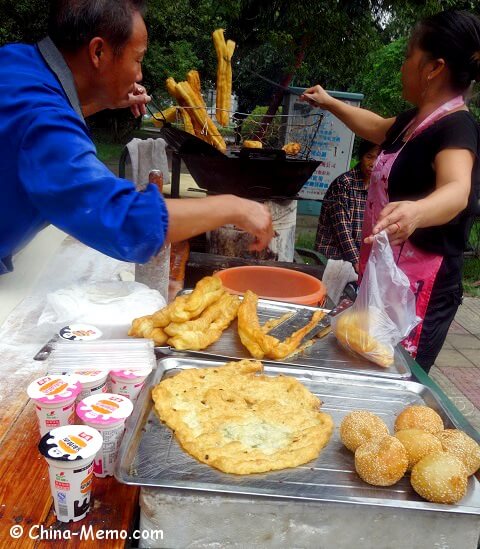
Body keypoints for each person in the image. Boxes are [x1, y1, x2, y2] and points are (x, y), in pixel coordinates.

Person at [0, 0, 273, 275]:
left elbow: (35, 130)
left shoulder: (16, 63)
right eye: (138, 59)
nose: (140, 73)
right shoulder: (43, 120)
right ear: (98, 52)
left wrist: (102, 101)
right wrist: (235, 206)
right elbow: (120, 219)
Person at [301, 9, 480, 372]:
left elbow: (457, 189)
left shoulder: (456, 127)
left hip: (420, 289)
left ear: (433, 68)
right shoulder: (413, 122)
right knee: (365, 360)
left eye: (407, 58)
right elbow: (377, 127)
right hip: (387, 276)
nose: (402, 67)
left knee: (392, 371)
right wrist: (331, 103)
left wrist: (417, 211)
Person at [315, 140, 380, 272]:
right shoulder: (343, 184)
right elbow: (342, 231)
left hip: (359, 258)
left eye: (378, 158)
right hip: (332, 257)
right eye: (369, 157)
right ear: (361, 157)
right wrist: (357, 263)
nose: (373, 164)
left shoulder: (378, 186)